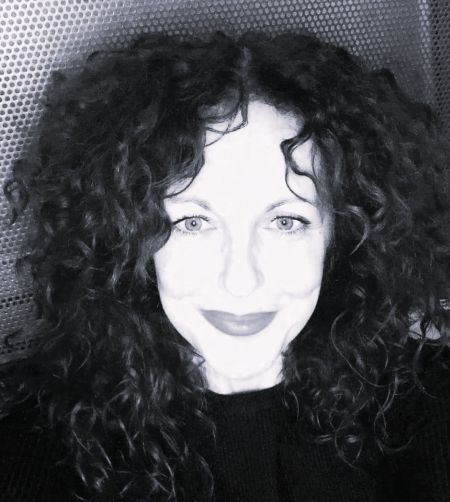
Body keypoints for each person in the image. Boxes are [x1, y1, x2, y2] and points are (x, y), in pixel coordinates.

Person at [0, 31, 449, 502]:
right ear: (133, 237)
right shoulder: (36, 446)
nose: (240, 280)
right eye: (193, 223)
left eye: (286, 221)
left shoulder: (427, 402)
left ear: (342, 233)